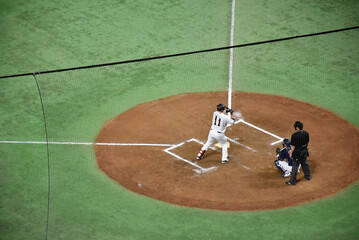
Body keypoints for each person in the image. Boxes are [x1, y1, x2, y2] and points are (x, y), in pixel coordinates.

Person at [286, 121, 311, 186]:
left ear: (297, 127)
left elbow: (293, 146)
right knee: (305, 163)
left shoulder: (294, 135)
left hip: (297, 153)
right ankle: (308, 176)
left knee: (295, 166)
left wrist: (291, 153)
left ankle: (292, 182)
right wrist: (306, 149)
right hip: (304, 151)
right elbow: (307, 143)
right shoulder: (306, 133)